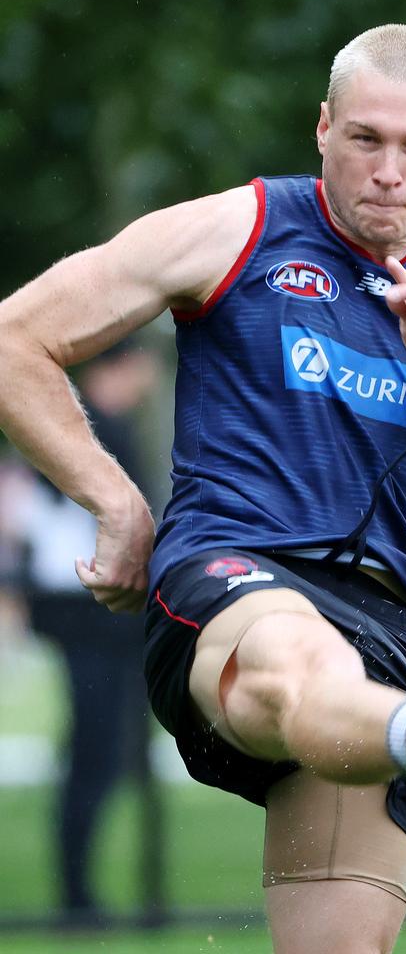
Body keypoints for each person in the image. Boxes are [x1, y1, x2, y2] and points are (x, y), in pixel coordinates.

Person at [0, 24, 406, 953]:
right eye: (364, 139)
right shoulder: (237, 229)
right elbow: (13, 339)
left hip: (390, 620)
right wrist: (115, 502)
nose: (388, 172)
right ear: (322, 128)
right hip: (236, 575)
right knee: (297, 661)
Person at [1, 344, 160, 920]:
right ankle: (78, 895)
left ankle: (82, 891)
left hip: (86, 619)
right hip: (94, 620)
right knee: (95, 756)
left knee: (98, 756)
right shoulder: (101, 432)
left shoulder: (78, 431)